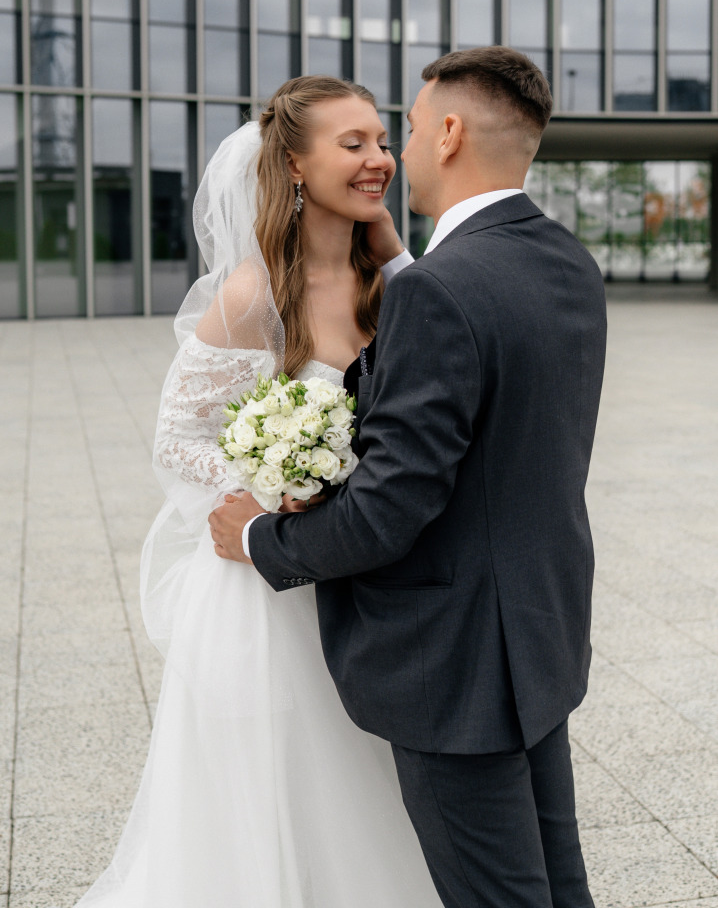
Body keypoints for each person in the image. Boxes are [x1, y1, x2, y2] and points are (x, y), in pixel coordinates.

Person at [210, 47, 607, 908]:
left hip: (450, 660)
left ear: (452, 133)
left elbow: (388, 513)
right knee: (556, 884)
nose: (397, 155)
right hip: (538, 638)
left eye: (411, 129)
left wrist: (257, 534)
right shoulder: (565, 263)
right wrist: (402, 267)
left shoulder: (437, 291)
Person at [71, 76, 442, 908]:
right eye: (353, 144)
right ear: (295, 166)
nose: (379, 158)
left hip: (366, 574)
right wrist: (276, 483)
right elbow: (177, 437)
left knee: (368, 775)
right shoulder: (251, 293)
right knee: (278, 787)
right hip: (266, 592)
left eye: (383, 140)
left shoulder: (390, 280)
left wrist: (394, 249)